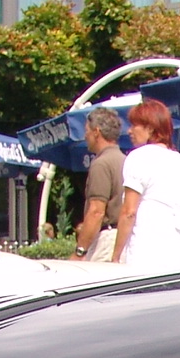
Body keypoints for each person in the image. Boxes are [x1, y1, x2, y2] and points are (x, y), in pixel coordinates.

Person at [110, 98, 180, 274]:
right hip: (178, 254)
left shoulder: (138, 157)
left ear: (150, 128)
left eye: (134, 125)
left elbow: (129, 212)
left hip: (146, 251)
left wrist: (115, 257)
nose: (129, 131)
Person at [73, 108, 125, 262]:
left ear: (96, 132)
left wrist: (80, 251)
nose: (85, 136)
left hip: (106, 240)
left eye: (87, 131)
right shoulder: (125, 160)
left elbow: (96, 211)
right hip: (123, 237)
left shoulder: (101, 164)